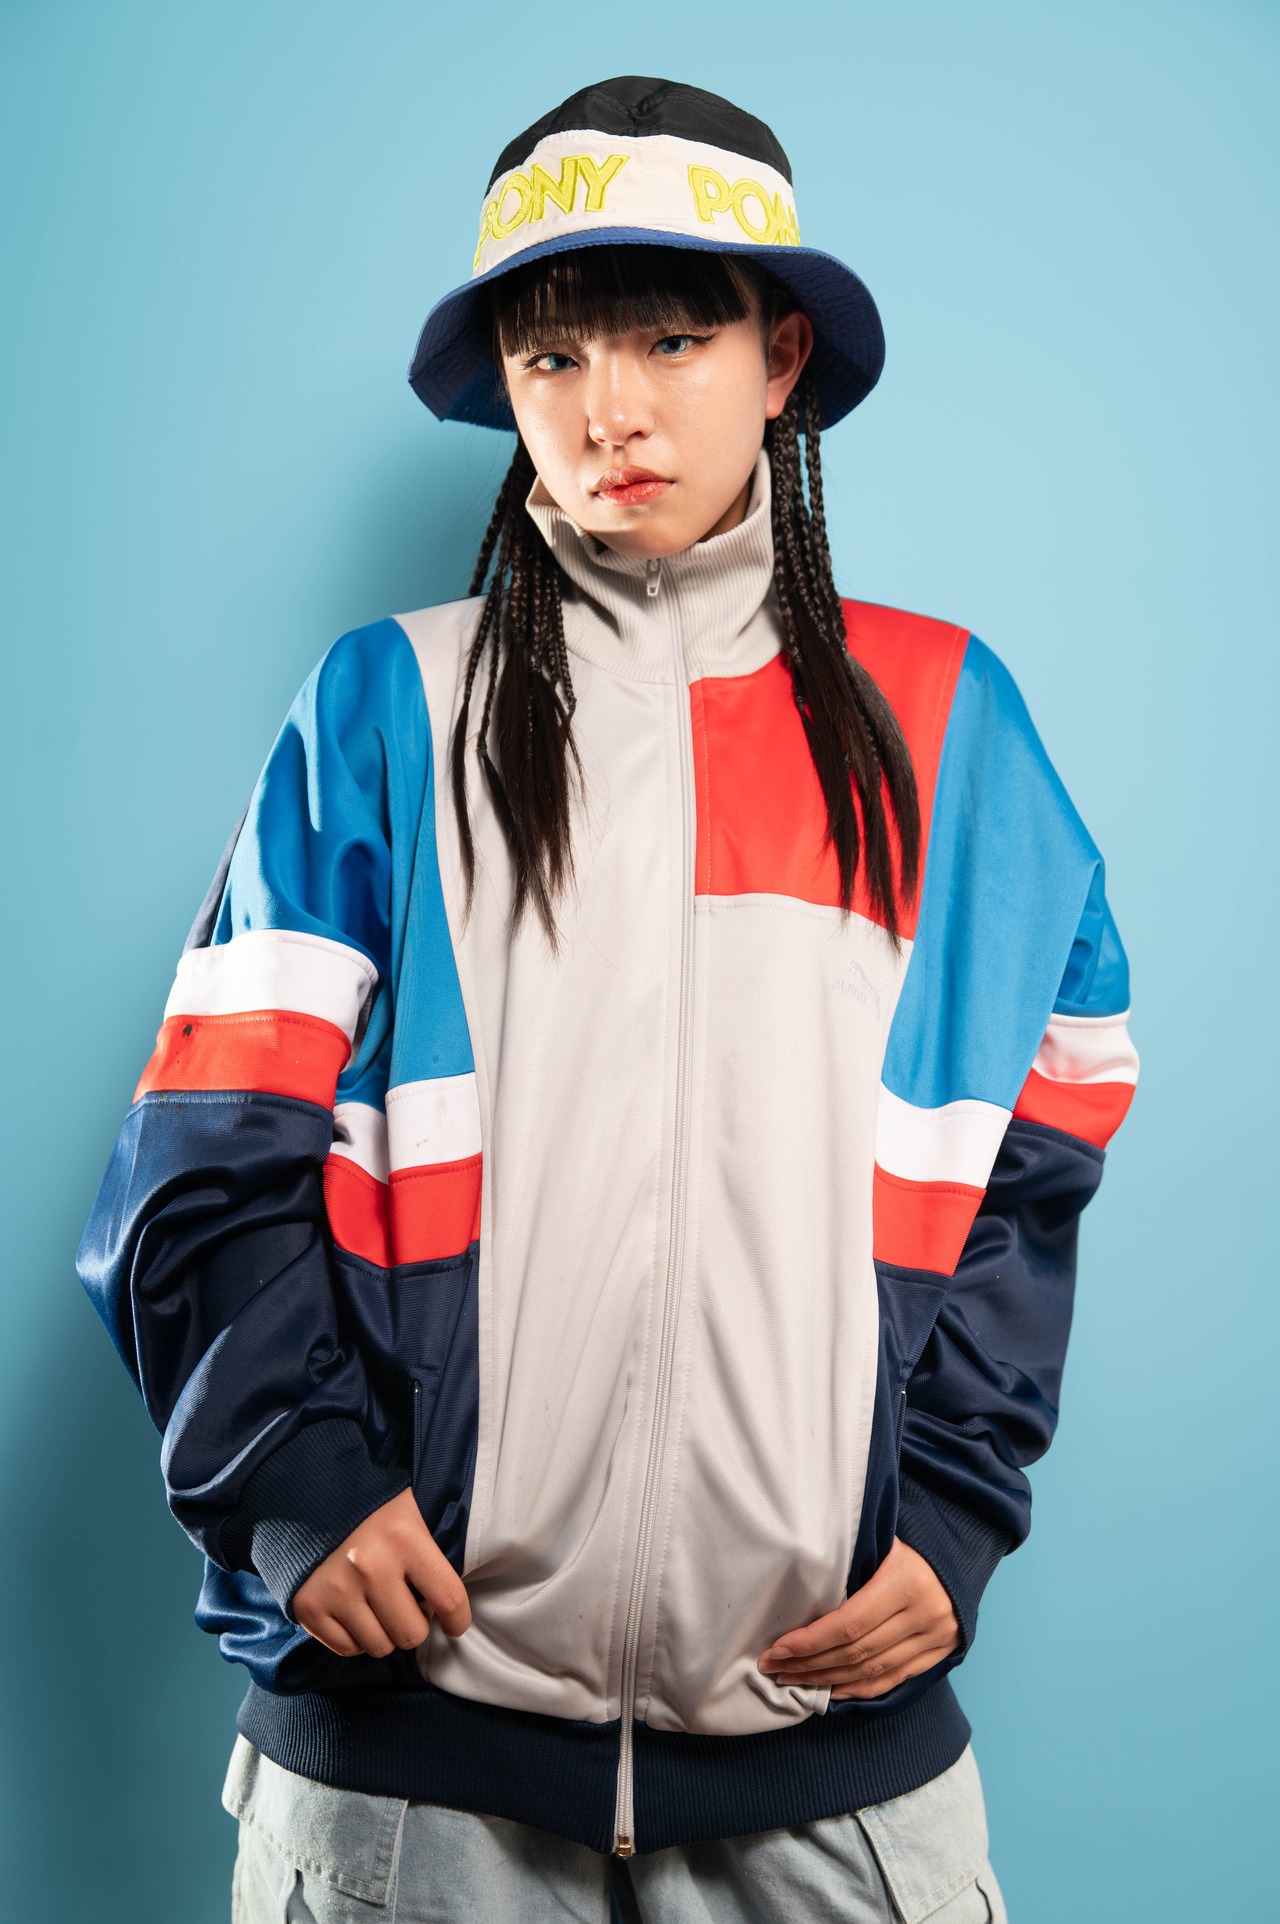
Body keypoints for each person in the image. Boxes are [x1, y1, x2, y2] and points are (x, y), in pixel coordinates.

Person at [78, 75, 1138, 1923]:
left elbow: (1039, 1154)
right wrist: (299, 1484)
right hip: (408, 1786)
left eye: (671, 338)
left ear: (781, 357)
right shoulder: (387, 711)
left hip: (832, 1779)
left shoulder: (947, 730)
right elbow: (205, 1152)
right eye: (552, 353)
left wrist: (955, 1508)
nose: (610, 410)